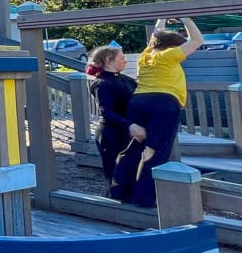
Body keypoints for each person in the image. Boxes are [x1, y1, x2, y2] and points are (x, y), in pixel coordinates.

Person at [110, 16, 203, 206]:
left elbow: (154, 37)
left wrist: (161, 19)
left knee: (134, 148)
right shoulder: (169, 56)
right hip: (163, 103)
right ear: (172, 47)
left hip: (139, 101)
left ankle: (120, 191)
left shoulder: (146, 55)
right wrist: (186, 18)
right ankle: (145, 199)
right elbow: (198, 41)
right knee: (156, 151)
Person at [86, 45, 136, 186]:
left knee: (130, 170)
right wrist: (129, 124)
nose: (125, 61)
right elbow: (106, 112)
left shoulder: (127, 80)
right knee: (115, 173)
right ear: (109, 60)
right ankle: (115, 201)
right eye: (122, 58)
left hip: (127, 132)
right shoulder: (102, 83)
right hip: (112, 134)